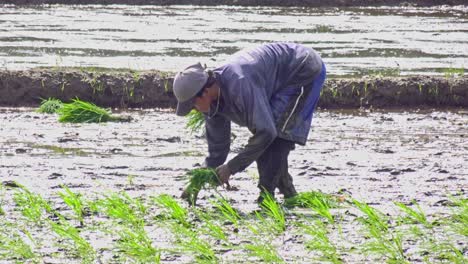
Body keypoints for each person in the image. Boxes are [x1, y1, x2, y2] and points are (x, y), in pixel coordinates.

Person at [173, 42, 326, 202]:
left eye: (193, 105)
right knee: (268, 140)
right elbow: (217, 151)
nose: (194, 110)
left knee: (277, 138)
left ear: (204, 93)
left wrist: (231, 168)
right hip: (276, 79)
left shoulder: (240, 84)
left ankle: (267, 198)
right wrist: (198, 180)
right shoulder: (212, 107)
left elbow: (267, 133)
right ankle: (289, 195)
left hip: (302, 70)